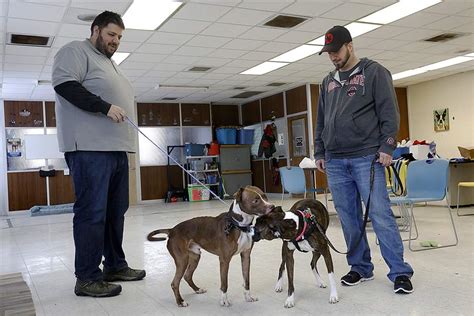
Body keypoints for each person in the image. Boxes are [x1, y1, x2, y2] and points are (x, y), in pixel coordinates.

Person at [52, 11, 145, 298]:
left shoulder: (108, 63)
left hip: (116, 150)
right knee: (92, 213)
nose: (115, 40)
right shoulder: (75, 52)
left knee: (116, 212)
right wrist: (105, 106)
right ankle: (87, 278)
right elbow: (65, 86)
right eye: (111, 34)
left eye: (119, 36)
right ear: (95, 30)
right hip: (90, 149)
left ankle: (115, 265)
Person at [314, 26, 414, 294]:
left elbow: (389, 113)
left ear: (350, 46)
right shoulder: (328, 82)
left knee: (381, 215)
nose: (333, 57)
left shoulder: (374, 72)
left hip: (366, 157)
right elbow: (321, 120)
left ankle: (400, 272)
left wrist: (388, 146)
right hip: (335, 161)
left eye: (336, 51)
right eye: (329, 53)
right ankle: (360, 267)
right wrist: (319, 151)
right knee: (348, 218)